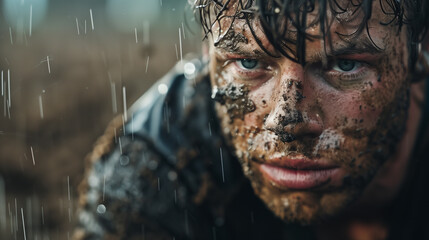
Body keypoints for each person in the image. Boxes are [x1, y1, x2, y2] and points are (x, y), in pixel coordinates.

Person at [73, 0, 429, 239]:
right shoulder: (160, 172)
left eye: (345, 65)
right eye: (248, 63)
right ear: (207, 53)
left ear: (419, 52)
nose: (287, 124)